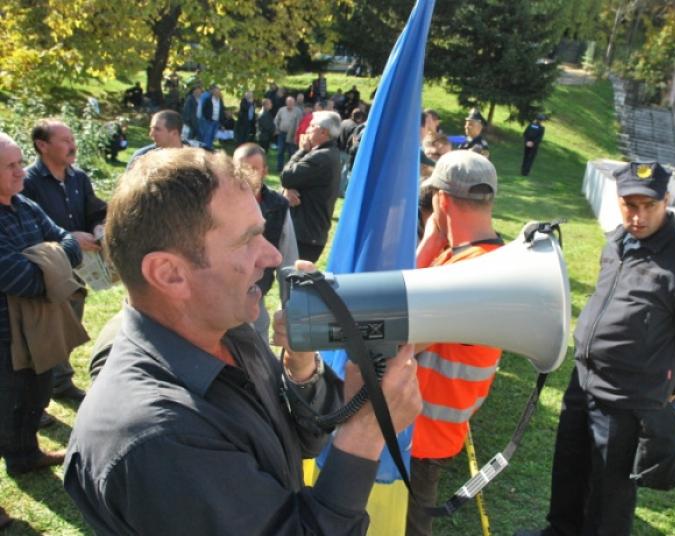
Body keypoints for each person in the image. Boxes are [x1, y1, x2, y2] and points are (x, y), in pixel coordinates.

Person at [63, 147, 422, 534]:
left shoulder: (227, 330)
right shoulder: (156, 438)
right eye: (248, 240)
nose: (271, 256)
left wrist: (300, 369)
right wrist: (366, 432)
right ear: (168, 274)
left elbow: (301, 442)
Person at [517, 162, 675, 536]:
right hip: (583, 380)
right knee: (569, 468)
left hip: (628, 397)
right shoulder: (616, 242)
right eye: (629, 205)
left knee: (609, 497)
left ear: (667, 201)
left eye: (648, 206)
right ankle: (560, 531)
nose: (638, 216)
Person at [407, 151, 504, 536]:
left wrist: (429, 239)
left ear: (441, 201)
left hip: (423, 433)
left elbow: (397, 334)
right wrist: (433, 243)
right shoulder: (476, 256)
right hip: (430, 426)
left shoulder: (465, 271)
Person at [0, 132, 82, 478]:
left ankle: (26, 454)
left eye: (20, 163)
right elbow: (19, 279)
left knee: (36, 395)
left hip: (38, 327)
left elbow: (71, 243)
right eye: (10, 166)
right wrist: (53, 264)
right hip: (4, 335)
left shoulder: (26, 206)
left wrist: (44, 259)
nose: (21, 172)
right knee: (5, 406)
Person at [23, 119, 107, 402]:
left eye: (72, 139)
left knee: (71, 324)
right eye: (65, 140)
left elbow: (94, 208)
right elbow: (26, 230)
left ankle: (61, 382)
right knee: (48, 330)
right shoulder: (27, 183)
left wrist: (98, 227)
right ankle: (46, 387)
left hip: (81, 267)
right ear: (42, 146)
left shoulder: (78, 178)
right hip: (48, 270)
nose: (73, 145)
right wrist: (69, 238)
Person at [232, 143, 298, 345]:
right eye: (240, 168)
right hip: (224, 292)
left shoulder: (278, 206)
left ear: (265, 171)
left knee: (257, 343)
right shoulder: (218, 202)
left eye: (253, 169)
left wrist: (290, 308)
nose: (246, 175)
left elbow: (288, 259)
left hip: (256, 291)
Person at [280, 111, 341, 263]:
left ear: (323, 132)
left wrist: (302, 150)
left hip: (305, 236)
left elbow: (286, 177)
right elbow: (292, 181)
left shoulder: (321, 157)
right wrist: (288, 188)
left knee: (293, 282)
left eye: (312, 126)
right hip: (310, 233)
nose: (307, 130)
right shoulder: (329, 153)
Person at [274, 96, 304, 172]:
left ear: (294, 103)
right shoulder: (281, 110)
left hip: (292, 135)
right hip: (281, 133)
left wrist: (296, 135)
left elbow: (300, 124)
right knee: (280, 151)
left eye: (291, 102)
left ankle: (290, 168)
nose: (290, 104)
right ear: (286, 102)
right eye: (288, 102)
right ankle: (279, 168)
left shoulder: (298, 111)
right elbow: (276, 120)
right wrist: (276, 129)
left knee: (291, 152)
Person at [199, 84, 224, 149]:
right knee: (207, 135)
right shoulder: (208, 99)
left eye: (219, 91)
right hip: (209, 120)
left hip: (217, 121)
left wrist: (221, 121)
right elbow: (203, 109)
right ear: (213, 92)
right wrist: (206, 117)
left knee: (213, 136)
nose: (218, 93)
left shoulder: (220, 100)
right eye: (216, 91)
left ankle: (209, 147)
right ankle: (206, 149)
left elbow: (222, 109)